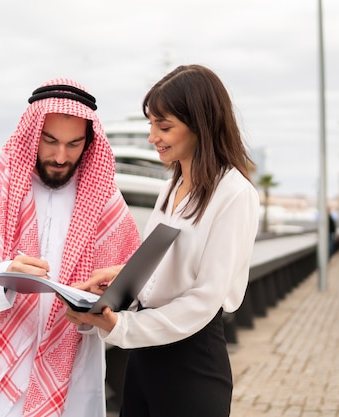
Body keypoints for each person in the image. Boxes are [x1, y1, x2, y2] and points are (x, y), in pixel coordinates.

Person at [64, 64, 260, 417]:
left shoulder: (235, 194)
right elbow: (166, 265)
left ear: (201, 124)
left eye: (164, 126)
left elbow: (205, 298)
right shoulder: (172, 186)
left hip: (191, 363)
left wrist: (123, 326)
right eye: (151, 125)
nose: (153, 137)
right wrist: (117, 279)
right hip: (144, 360)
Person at [0, 78, 142, 417]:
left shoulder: (108, 207)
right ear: (32, 133)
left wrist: (100, 304)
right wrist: (3, 277)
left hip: (73, 385)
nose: (60, 156)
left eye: (74, 144)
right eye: (49, 141)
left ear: (88, 143)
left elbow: (131, 298)